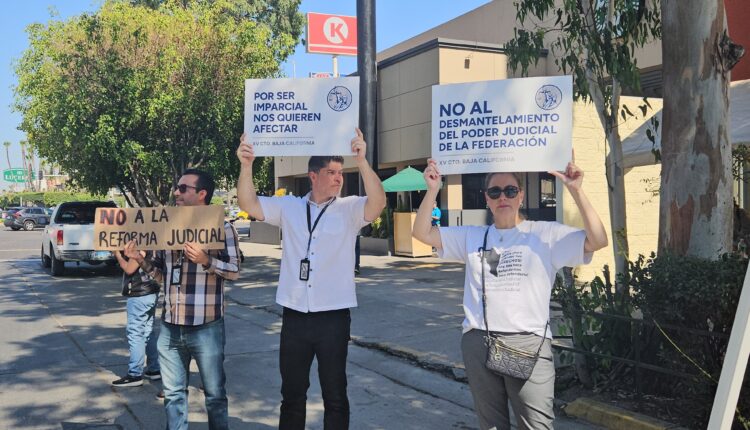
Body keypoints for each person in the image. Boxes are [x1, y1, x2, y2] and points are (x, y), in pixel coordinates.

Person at [413, 156, 607, 430]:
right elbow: (421, 233)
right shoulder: (472, 235)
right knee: (491, 425)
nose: (502, 196)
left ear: (521, 195)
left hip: (528, 343)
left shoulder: (544, 234)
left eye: (510, 190)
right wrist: (433, 189)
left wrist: (576, 190)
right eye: (495, 191)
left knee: (536, 426)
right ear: (487, 199)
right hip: (479, 341)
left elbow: (598, 240)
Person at [236, 128, 386, 430]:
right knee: (292, 395)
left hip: (333, 316)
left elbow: (378, 203)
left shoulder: (349, 209)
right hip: (295, 315)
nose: (338, 178)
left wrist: (364, 161)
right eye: (331, 172)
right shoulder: (290, 206)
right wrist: (246, 165)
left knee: (335, 395)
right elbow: (248, 204)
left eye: (341, 172)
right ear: (312, 175)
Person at [124, 168, 240, 430]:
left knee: (215, 396)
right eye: (177, 187)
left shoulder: (223, 228)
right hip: (170, 327)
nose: (176, 192)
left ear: (202, 194)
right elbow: (161, 277)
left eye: (183, 188)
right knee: (174, 396)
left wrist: (206, 260)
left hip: (207, 327)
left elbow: (234, 272)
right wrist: (140, 259)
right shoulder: (164, 227)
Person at [111, 250, 161, 387]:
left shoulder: (141, 240)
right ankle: (154, 368)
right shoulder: (153, 237)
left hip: (140, 293)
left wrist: (117, 254)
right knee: (148, 331)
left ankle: (135, 374)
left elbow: (129, 268)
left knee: (135, 333)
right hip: (151, 290)